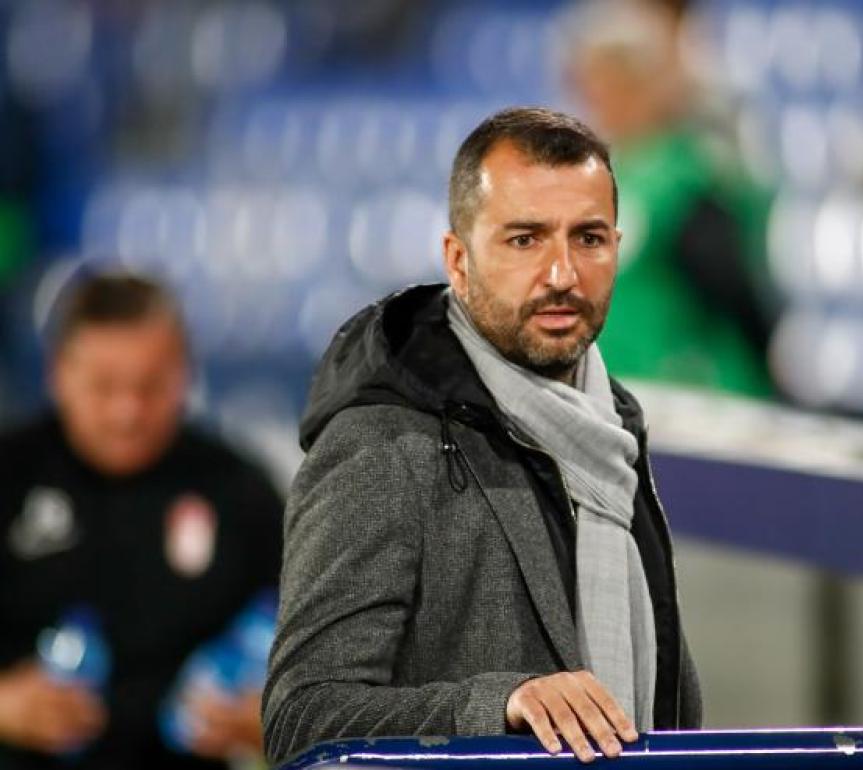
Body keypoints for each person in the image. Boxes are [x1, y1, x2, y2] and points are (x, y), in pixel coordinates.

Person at [262, 107, 702, 767]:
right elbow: (303, 720)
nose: (562, 274)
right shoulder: (380, 445)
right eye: (525, 240)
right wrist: (500, 705)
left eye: (588, 238)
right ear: (458, 260)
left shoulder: (610, 427)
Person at [0, 273, 284, 770]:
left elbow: (319, 654)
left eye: (151, 386)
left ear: (185, 374)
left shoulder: (239, 489)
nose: (127, 412)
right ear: (57, 374)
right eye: (104, 386)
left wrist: (273, 717)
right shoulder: (9, 474)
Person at [565, 0, 776, 397]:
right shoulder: (605, 173)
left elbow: (733, 290)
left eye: (613, 83)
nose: (597, 99)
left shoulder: (686, 176)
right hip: (620, 391)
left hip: (694, 395)